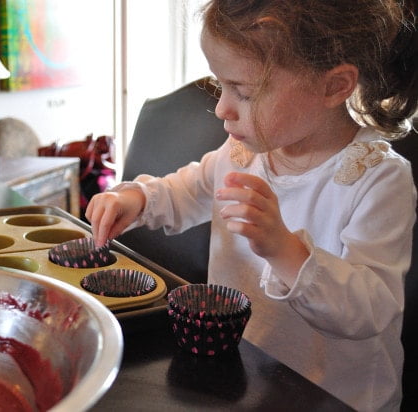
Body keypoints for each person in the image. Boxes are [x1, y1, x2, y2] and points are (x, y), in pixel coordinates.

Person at [86, 1, 418, 410]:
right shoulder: (245, 152)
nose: (222, 107)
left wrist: (284, 248)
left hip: (333, 393)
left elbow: (370, 309)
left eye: (244, 91)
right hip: (247, 371)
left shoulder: (376, 177)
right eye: (220, 86)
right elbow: (186, 190)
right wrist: (135, 198)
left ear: (334, 86)